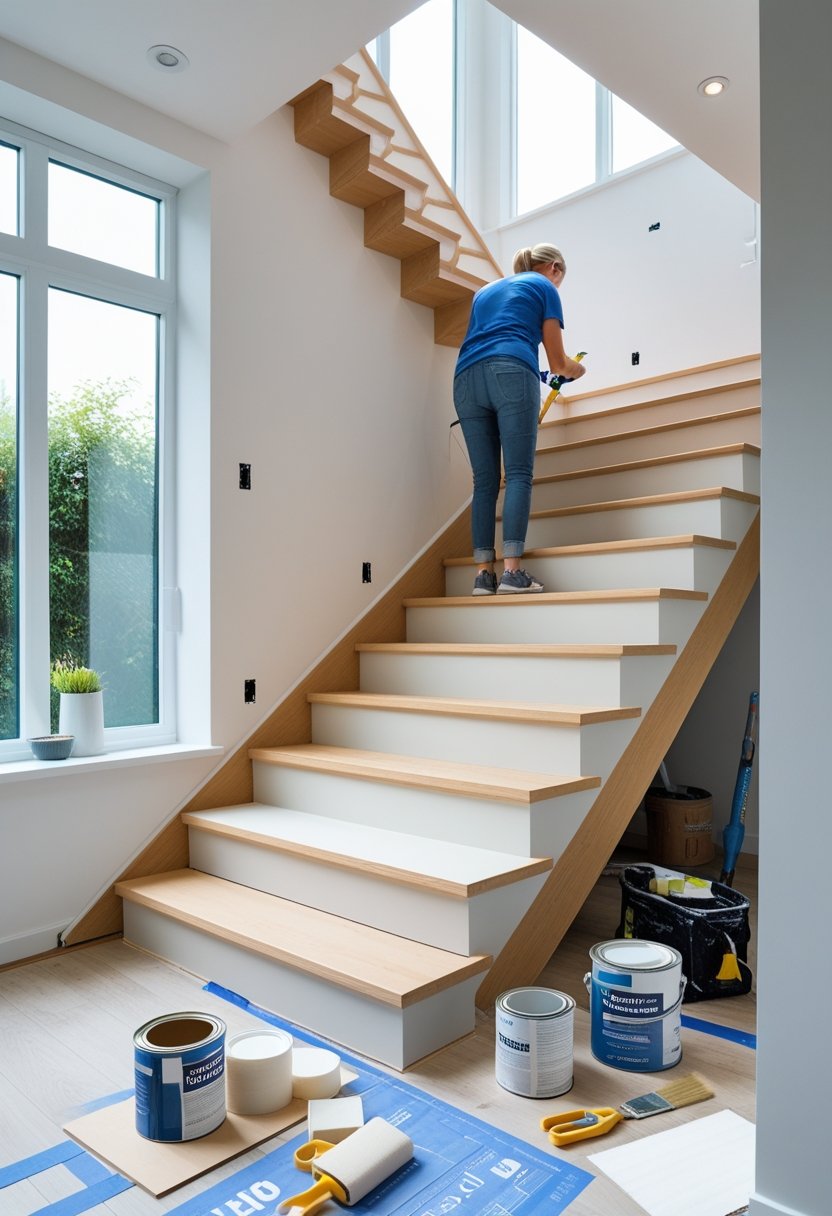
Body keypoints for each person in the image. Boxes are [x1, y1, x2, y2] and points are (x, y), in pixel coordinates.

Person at [453, 243, 586, 594]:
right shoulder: (544, 287)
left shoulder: (484, 292)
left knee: (484, 481)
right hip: (511, 372)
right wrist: (578, 369)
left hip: (465, 379)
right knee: (518, 474)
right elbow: (559, 363)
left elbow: (491, 340)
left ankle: (484, 576)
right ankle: (513, 572)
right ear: (554, 268)